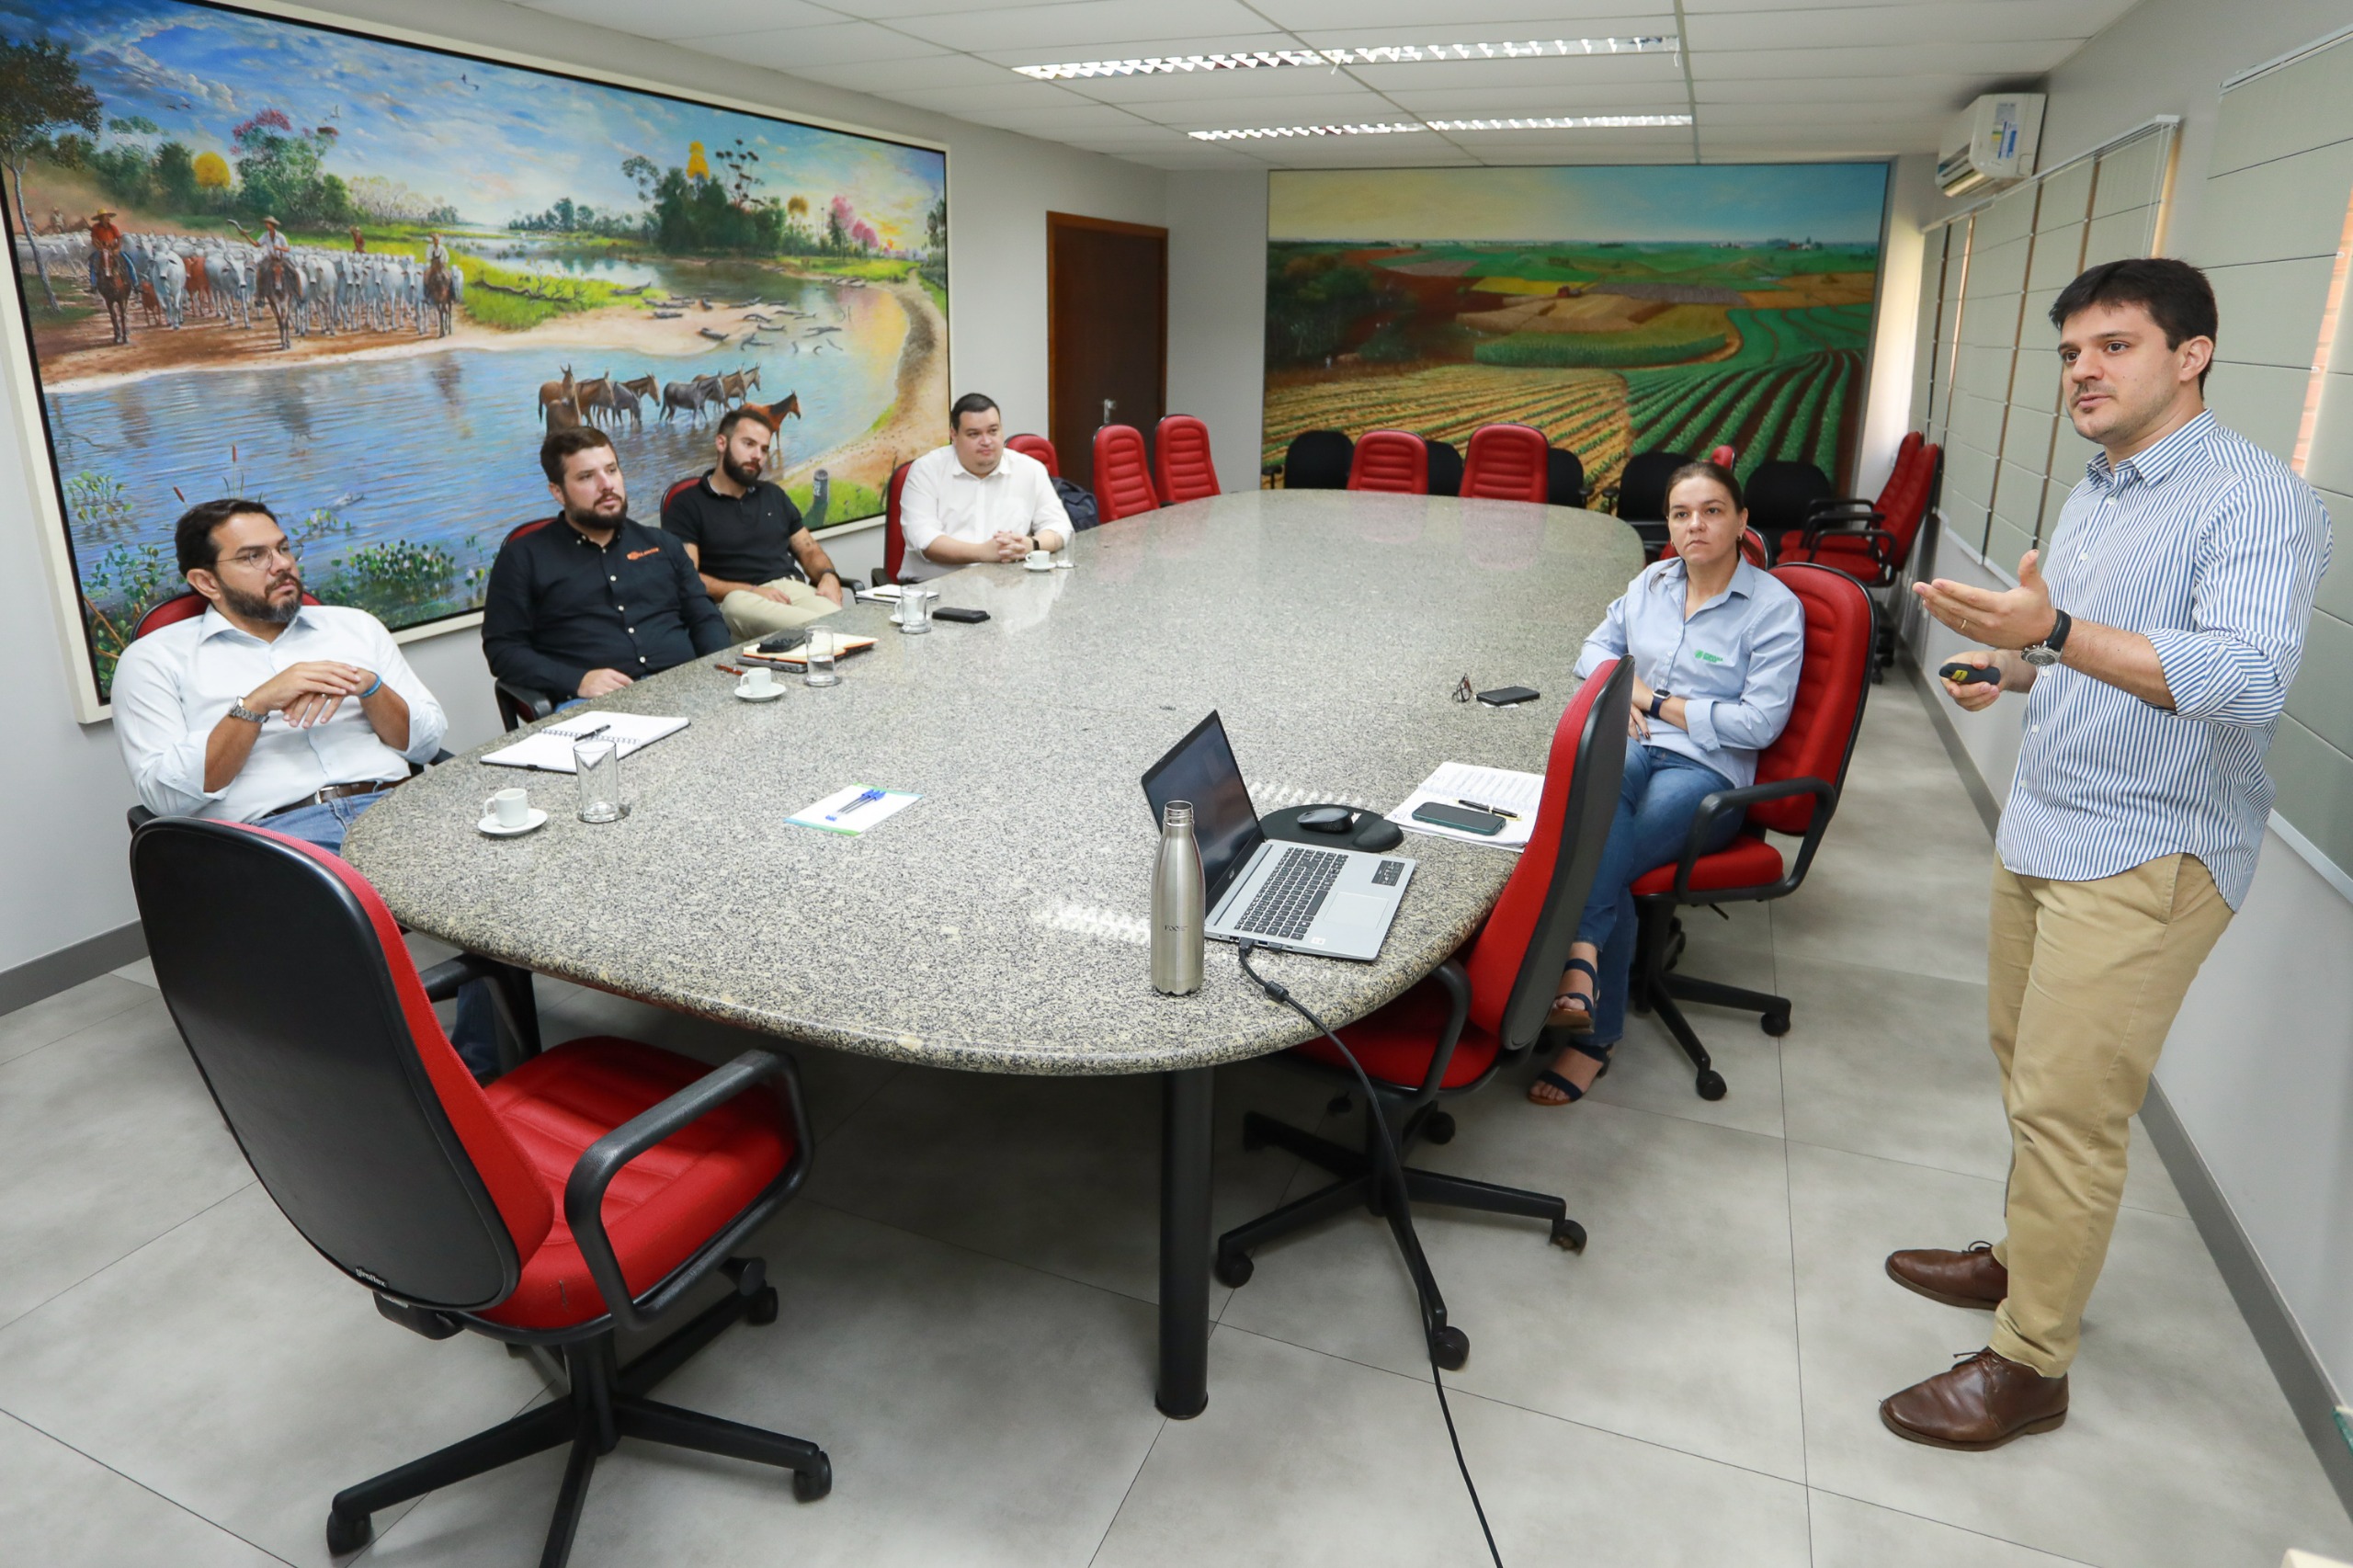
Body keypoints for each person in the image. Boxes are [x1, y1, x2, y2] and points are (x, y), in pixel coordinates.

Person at [1885, 258, 2330, 1449]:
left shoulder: (2256, 501)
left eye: (2114, 345)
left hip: (2148, 849)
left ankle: (2031, 1361)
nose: (2083, 370)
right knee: (2027, 1070)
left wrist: (2060, 631)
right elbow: (2078, 647)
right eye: (2072, 352)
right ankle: (2024, 1254)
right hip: (2048, 822)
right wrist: (2008, 664)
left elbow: (2245, 677)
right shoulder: (2100, 488)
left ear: (2191, 354)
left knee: (2071, 1107)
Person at [109, 499, 501, 1075]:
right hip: (276, 836)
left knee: (504, 877)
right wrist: (255, 704)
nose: (281, 565)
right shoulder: (154, 662)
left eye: (283, 548)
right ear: (205, 581)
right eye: (253, 556)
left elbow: (422, 744)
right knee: (339, 933)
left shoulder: (354, 628)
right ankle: (377, 1084)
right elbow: (166, 797)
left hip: (395, 807)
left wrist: (370, 688)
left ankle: (483, 1067)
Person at [1529, 462, 1804, 1107]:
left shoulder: (1773, 609)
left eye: (1712, 511)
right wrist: (1623, 688)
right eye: (1682, 514)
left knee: (1597, 852)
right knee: (1602, 811)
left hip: (1708, 775)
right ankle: (1583, 972)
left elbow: (1758, 723)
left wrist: (1652, 701)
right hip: (1632, 746)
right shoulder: (1650, 583)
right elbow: (1593, 651)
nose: (1695, 525)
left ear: (1741, 521)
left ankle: (1590, 1015)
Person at [483, 426, 731, 701]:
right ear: (558, 492)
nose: (607, 485)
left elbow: (704, 617)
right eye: (587, 476)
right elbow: (503, 650)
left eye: (611, 470)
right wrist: (576, 680)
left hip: (687, 685)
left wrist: (713, 671)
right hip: (595, 702)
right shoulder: (523, 557)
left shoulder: (662, 543)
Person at [662, 406, 844, 637]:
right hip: (738, 600)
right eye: (748, 444)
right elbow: (688, 578)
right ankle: (829, 633)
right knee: (736, 605)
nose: (758, 455)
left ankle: (827, 632)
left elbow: (809, 549)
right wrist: (751, 590)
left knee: (833, 614)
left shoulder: (773, 495)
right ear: (721, 443)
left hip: (792, 591)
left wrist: (828, 575)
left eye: (764, 449)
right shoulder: (687, 503)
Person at [897, 393, 1071, 582]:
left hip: (1010, 586)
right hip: (936, 588)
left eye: (993, 431)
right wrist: (983, 552)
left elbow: (1059, 527)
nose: (986, 441)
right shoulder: (926, 471)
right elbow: (924, 540)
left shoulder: (1030, 469)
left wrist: (1030, 545)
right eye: (974, 434)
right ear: (954, 435)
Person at [86, 208, 136, 292]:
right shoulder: (96, 228)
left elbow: (119, 239)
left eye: (107, 217)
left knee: (129, 262)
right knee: (92, 264)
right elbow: (94, 240)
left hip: (113, 249)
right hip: (101, 249)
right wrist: (100, 248)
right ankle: (93, 285)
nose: (107, 218)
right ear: (100, 219)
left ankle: (135, 284)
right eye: (104, 217)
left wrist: (117, 249)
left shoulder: (113, 227)